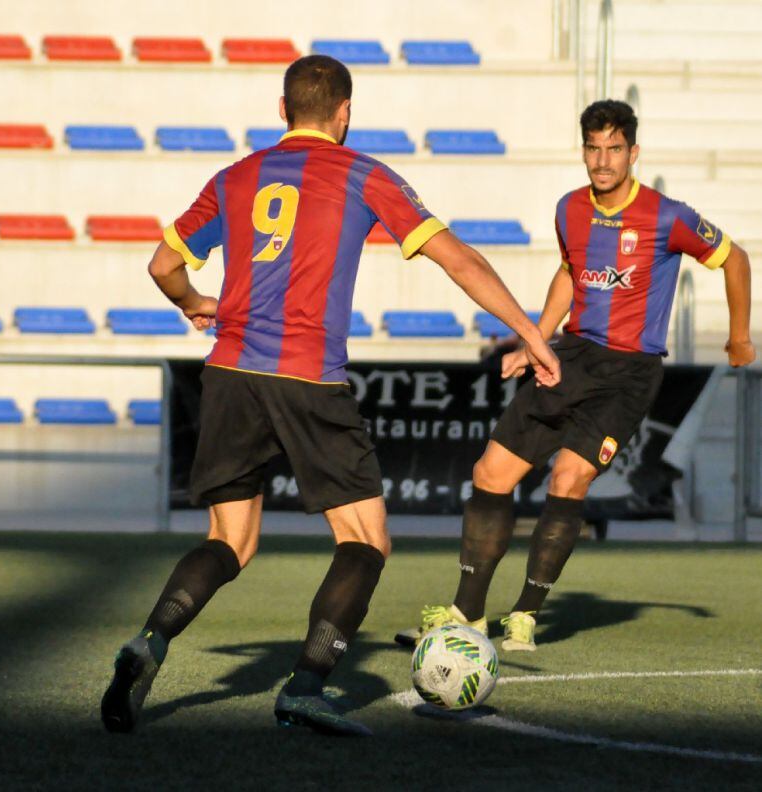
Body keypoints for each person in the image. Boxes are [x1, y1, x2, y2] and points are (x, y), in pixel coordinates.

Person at [100, 54, 559, 737]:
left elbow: (161, 264)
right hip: (309, 377)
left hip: (229, 374)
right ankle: (307, 685)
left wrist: (197, 301)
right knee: (365, 539)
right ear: (344, 113)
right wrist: (532, 332)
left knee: (229, 540)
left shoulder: (234, 177)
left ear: (283, 109)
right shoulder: (363, 173)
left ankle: (151, 640)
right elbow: (458, 258)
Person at [397, 99, 755, 653]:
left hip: (629, 374)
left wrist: (738, 336)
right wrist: (537, 340)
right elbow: (569, 272)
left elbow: (735, 259)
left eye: (614, 149)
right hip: (572, 357)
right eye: (594, 147)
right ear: (583, 149)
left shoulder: (667, 216)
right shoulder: (569, 209)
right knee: (491, 471)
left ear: (633, 153)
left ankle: (524, 617)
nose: (603, 159)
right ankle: (466, 613)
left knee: (568, 479)